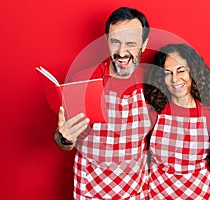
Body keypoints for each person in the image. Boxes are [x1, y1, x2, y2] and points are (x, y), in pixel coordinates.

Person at [53, 7, 152, 199]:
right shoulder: (83, 81)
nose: (122, 52)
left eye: (131, 43)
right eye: (115, 42)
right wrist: (64, 137)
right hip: (91, 191)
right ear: (106, 41)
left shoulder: (151, 82)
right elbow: (63, 143)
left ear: (144, 43)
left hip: (136, 192)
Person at [144, 44, 210, 199]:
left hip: (199, 194)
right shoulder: (153, 112)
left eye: (181, 70)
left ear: (193, 72)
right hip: (159, 194)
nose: (175, 79)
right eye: (167, 73)